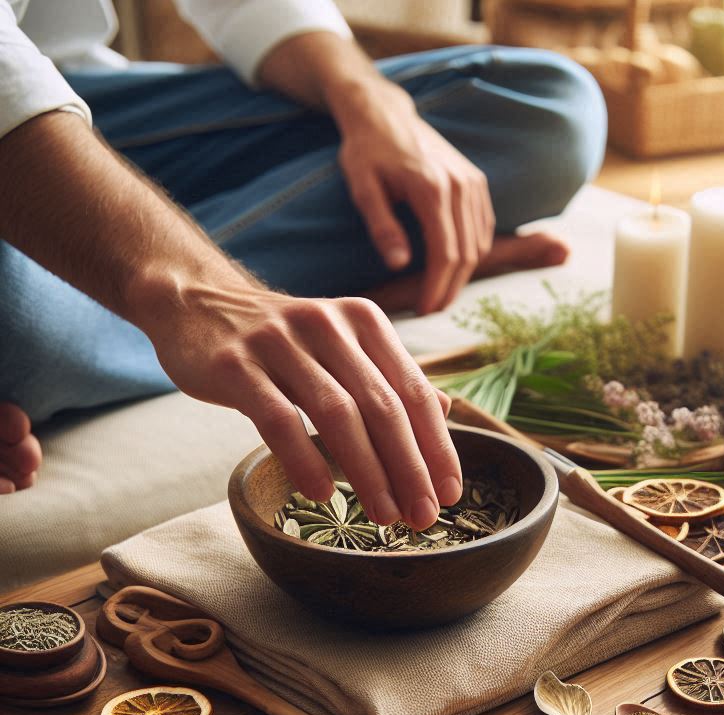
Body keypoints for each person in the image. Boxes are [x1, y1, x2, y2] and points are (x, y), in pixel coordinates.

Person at [0, 0, 606, 529]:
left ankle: (266, 290)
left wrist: (366, 98)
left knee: (548, 106)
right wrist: (192, 292)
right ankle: (310, 281)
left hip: (73, 94)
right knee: (16, 321)